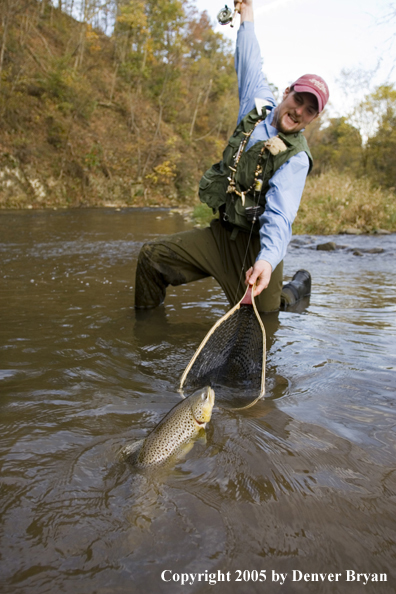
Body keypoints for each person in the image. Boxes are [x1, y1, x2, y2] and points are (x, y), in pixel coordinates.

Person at [134, 0, 329, 313]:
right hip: (221, 235)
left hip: (256, 248)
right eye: (298, 99)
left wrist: (265, 260)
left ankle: (293, 290)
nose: (299, 111)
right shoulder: (257, 105)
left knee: (266, 315)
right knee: (151, 257)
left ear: (313, 119)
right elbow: (250, 58)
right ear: (286, 91)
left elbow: (280, 216)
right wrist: (247, 11)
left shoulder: (297, 159)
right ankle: (145, 332)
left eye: (310, 110)